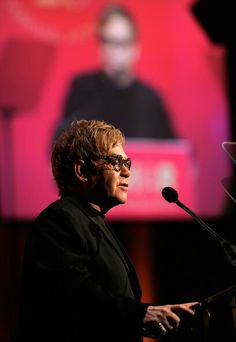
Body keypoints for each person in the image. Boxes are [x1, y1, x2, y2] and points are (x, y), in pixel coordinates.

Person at [10, 119, 198, 342]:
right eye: (116, 161)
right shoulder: (59, 219)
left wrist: (149, 319)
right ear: (81, 171)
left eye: (127, 162)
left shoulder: (93, 222)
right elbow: (74, 292)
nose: (127, 171)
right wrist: (140, 314)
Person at [54, 4, 177, 140]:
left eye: (121, 43)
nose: (114, 51)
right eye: (108, 42)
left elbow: (173, 150)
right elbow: (60, 143)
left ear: (135, 48)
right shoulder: (82, 89)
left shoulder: (150, 100)